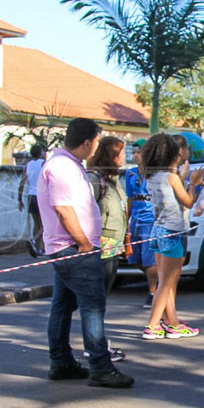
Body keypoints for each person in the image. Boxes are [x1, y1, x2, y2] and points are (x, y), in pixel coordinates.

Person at [36, 118, 133, 388]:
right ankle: (100, 366)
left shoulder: (69, 165)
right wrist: (83, 243)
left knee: (64, 306)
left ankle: (61, 361)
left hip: (71, 247)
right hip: (73, 248)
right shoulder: (62, 167)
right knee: (92, 307)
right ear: (88, 142)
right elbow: (63, 209)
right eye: (95, 142)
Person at [141, 134, 203, 340]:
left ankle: (172, 322)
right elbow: (187, 201)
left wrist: (183, 178)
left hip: (158, 230)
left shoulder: (152, 176)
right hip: (173, 231)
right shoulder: (172, 177)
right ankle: (152, 325)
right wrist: (193, 183)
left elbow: (170, 194)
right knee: (167, 282)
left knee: (165, 281)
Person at [85, 135, 129, 362]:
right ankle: (95, 347)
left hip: (114, 247)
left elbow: (121, 210)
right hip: (100, 248)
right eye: (121, 152)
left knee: (101, 300)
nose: (125, 156)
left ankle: (98, 344)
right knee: (96, 302)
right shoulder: (94, 180)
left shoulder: (114, 180)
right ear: (112, 155)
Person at [125, 139, 158, 309]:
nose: (137, 156)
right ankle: (157, 279)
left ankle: (152, 293)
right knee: (133, 258)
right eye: (135, 153)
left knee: (148, 259)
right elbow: (130, 198)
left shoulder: (154, 174)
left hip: (150, 220)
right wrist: (126, 220)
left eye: (140, 153)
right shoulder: (130, 174)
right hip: (136, 220)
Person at [18, 144, 46, 257]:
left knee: (37, 224)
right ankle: (34, 241)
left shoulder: (27, 165)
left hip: (31, 196)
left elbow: (22, 183)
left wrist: (19, 199)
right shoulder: (44, 164)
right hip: (42, 196)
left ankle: (38, 249)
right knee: (45, 225)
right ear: (40, 153)